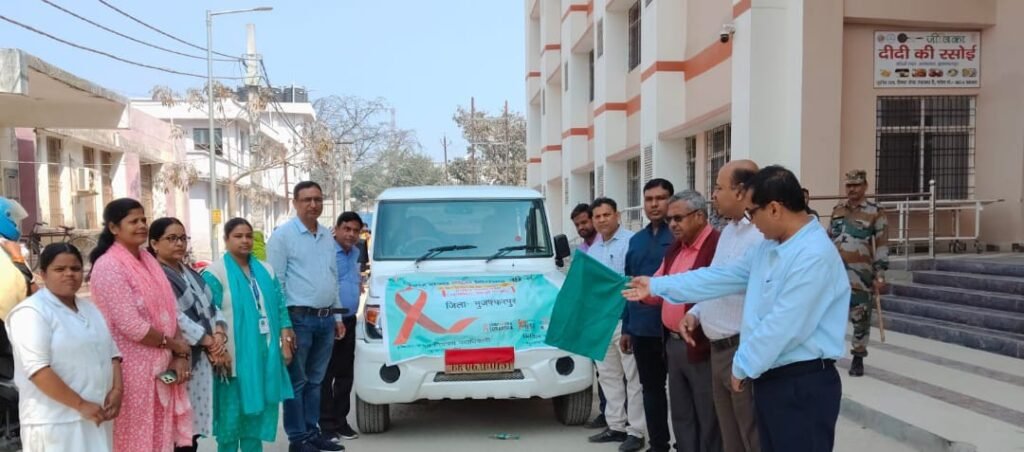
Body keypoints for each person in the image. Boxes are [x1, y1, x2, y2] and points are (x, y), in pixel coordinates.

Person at [624, 166, 850, 452]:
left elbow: (782, 326)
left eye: (753, 213)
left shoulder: (812, 255)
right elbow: (721, 277)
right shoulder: (770, 247)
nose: (752, 222)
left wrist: (743, 365)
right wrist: (657, 285)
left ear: (774, 209)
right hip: (771, 376)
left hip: (801, 382)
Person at [87, 198, 193, 451]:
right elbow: (131, 325)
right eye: (133, 221)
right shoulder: (108, 266)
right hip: (129, 371)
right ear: (114, 228)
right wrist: (174, 345)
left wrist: (178, 354)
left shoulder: (147, 259)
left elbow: (170, 310)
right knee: (134, 439)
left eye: (143, 219)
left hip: (161, 366)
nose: (142, 225)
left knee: (160, 437)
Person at [6, 243, 123, 452]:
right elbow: (37, 369)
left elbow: (112, 353)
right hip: (55, 423)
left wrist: (117, 390)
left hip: (96, 417)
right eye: (60, 269)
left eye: (75, 268)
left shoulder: (90, 309)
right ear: (43, 274)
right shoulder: (31, 312)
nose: (69, 274)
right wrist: (80, 404)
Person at [681, 160, 763, 452]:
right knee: (730, 438)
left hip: (741, 348)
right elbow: (714, 281)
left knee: (751, 435)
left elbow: (731, 282)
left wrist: (657, 286)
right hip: (718, 350)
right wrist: (695, 313)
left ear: (740, 191)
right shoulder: (728, 232)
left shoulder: (760, 236)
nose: (713, 195)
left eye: (718, 187)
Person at [203, 218, 297, 452]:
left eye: (248, 236)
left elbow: (280, 308)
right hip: (231, 358)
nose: (245, 240)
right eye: (238, 236)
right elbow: (209, 315)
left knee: (255, 421)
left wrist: (286, 342)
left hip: (263, 356)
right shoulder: (215, 273)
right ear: (226, 240)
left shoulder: (266, 270)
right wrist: (217, 352)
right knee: (230, 422)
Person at [639, 190, 722, 452]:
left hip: (702, 344)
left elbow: (718, 294)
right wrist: (637, 289)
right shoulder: (676, 248)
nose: (672, 225)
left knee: (708, 415)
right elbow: (658, 286)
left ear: (699, 216)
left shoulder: (717, 246)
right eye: (669, 220)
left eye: (678, 218)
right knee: (682, 414)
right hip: (673, 344)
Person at [266, 181, 344, 452]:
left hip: (325, 319)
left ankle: (313, 433)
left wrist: (337, 317)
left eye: (318, 199)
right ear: (295, 203)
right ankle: (298, 439)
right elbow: (276, 284)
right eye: (307, 199)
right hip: (298, 319)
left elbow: (332, 278)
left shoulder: (326, 236)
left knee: (316, 382)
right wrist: (284, 326)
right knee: (297, 382)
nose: (313, 204)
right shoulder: (283, 237)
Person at [148, 217, 230, 452]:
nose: (179, 243)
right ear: (154, 243)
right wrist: (208, 341)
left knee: (192, 429)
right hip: (176, 357)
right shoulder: (156, 275)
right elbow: (174, 316)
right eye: (172, 238)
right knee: (174, 426)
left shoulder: (190, 272)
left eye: (183, 238)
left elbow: (212, 306)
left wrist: (219, 334)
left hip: (201, 359)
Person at [586, 197, 646, 452]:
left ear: (617, 215)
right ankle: (616, 426)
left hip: (625, 320)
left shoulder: (632, 242)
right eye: (597, 216)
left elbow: (635, 282)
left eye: (606, 215)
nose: (602, 220)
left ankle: (636, 431)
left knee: (633, 378)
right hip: (602, 322)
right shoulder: (593, 250)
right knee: (608, 376)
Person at [622, 179, 675, 452]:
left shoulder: (679, 237)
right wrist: (627, 328)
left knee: (682, 393)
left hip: (673, 329)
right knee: (651, 390)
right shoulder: (636, 240)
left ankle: (686, 443)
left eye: (661, 198)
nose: (654, 204)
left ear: (671, 201)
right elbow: (629, 285)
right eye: (649, 199)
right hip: (642, 329)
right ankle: (658, 445)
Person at [828, 169, 888, 377]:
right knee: (831, 314)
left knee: (860, 316)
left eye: (856, 185)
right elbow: (828, 239)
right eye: (849, 185)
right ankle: (829, 353)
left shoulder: (875, 212)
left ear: (865, 186)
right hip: (835, 274)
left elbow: (881, 244)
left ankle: (858, 357)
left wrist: (880, 273)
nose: (852, 189)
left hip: (860, 275)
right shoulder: (838, 210)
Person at [320, 212, 363, 443]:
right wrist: (336, 319)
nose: (351, 234)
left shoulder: (355, 252)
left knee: (345, 374)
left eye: (355, 230)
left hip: (349, 319)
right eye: (346, 229)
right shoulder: (327, 252)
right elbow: (327, 287)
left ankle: (341, 421)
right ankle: (326, 425)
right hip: (330, 320)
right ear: (336, 229)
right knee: (326, 375)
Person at [569, 202, 607, 429]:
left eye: (584, 222)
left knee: (617, 373)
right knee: (601, 371)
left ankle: (621, 418)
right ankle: (606, 413)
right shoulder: (581, 251)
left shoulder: (607, 244)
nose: (581, 227)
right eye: (577, 225)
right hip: (591, 318)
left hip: (611, 317)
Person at [0, 196, 33, 318]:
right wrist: (18, 258)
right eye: (13, 219)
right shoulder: (7, 250)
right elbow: (29, 288)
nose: (15, 223)